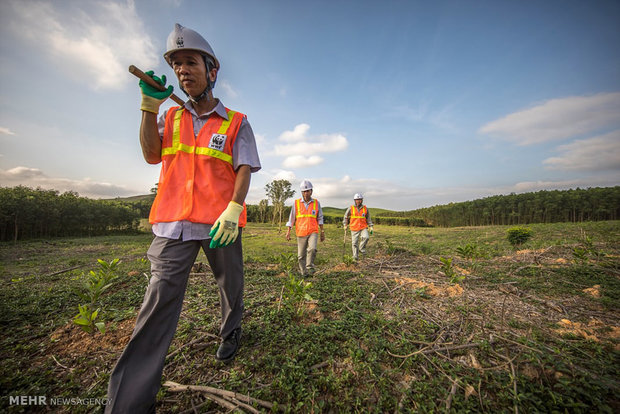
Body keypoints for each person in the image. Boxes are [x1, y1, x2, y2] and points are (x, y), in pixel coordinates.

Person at [106, 23, 261, 413]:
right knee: (156, 305)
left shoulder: (236, 122)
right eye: (177, 65)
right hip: (173, 225)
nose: (182, 71)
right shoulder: (170, 117)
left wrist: (234, 208)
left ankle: (231, 329)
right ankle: (127, 404)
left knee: (231, 283)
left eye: (190, 62)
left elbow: (244, 168)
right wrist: (148, 107)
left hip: (220, 224)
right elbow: (150, 154)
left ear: (212, 70)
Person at [285, 180, 325, 276]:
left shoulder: (316, 203)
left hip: (313, 231)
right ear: (301, 192)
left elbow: (320, 218)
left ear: (311, 191)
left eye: (307, 191)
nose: (306, 193)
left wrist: (322, 231)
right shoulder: (296, 203)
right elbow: (292, 218)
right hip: (301, 232)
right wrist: (288, 231)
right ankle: (304, 273)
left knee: (312, 249)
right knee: (300, 256)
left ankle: (309, 266)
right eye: (304, 191)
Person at [343, 193, 373, 261]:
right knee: (354, 243)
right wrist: (345, 224)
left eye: (359, 200)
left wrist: (370, 226)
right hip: (354, 227)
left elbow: (368, 218)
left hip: (363, 227)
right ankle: (355, 257)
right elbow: (346, 216)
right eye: (357, 200)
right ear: (354, 200)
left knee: (366, 237)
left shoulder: (365, 208)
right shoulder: (351, 208)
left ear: (362, 200)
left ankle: (362, 248)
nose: (358, 201)